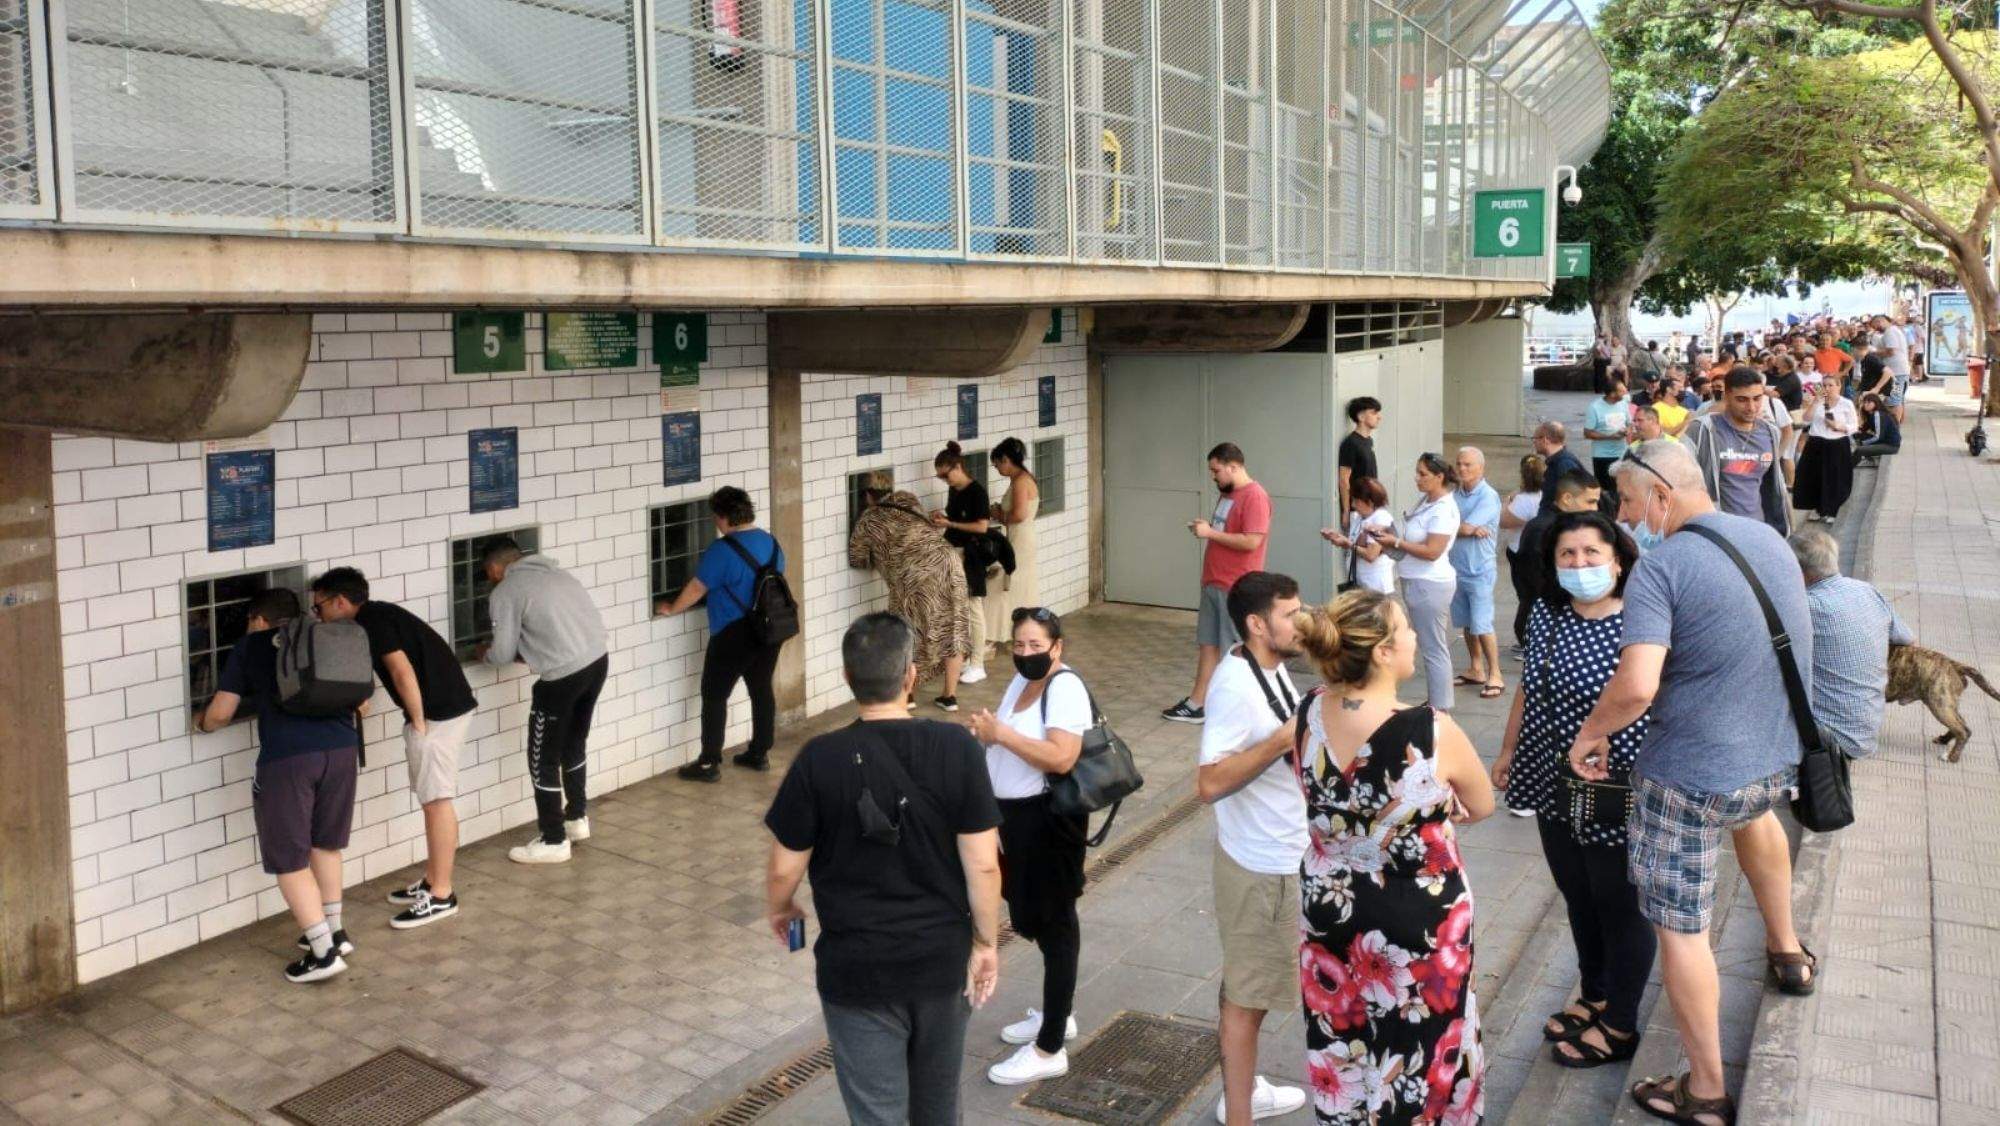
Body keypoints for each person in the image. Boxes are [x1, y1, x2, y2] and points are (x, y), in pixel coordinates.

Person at [1571, 440, 1815, 1126]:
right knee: (1755, 821)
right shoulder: (1767, 538)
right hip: (1772, 760)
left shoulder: (1662, 567)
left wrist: (1590, 734)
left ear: (1659, 494)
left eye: (1625, 502)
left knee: (1682, 928)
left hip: (1689, 777)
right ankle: (1786, 949)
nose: (1624, 518)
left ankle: (1704, 1089)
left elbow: (1638, 685)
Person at [763, 613, 1003, 1125]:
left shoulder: (818, 759)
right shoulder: (956, 747)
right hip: (941, 964)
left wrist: (784, 909)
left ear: (848, 678)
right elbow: (983, 865)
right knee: (938, 1110)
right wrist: (985, 944)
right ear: (911, 675)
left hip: (858, 970)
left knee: (877, 1114)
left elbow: (785, 868)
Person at [1290, 590, 1496, 1124]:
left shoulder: (1309, 711)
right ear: (1382, 652)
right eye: (1405, 629)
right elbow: (1482, 803)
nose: (1414, 639)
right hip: (1415, 916)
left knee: (1343, 1033)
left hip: (1330, 905)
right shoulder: (1430, 730)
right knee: (1420, 1042)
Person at [1492, 513, 1654, 1069]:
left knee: (1619, 902)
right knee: (1577, 892)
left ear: (1618, 559)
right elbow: (1527, 688)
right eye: (1568, 555)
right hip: (1547, 775)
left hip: (1611, 783)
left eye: (1591, 553)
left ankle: (1622, 1022)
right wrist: (1510, 751)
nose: (1580, 565)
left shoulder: (1641, 621)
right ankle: (1596, 994)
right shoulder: (1545, 613)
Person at [194, 589, 361, 982]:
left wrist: (201, 723)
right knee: (325, 843)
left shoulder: (251, 646)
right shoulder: (324, 636)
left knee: (289, 858)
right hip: (341, 748)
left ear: (258, 619)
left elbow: (221, 712)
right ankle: (335, 931)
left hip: (288, 759)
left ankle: (322, 955)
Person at [1193, 572, 1311, 1125]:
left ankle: (1243, 1090)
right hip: (1262, 867)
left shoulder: (1271, 665)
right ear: (1257, 625)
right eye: (1291, 613)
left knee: (1255, 988)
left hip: (1285, 856)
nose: (1302, 620)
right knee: (1247, 994)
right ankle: (1238, 1111)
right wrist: (1281, 740)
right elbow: (1210, 783)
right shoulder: (1235, 685)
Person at [310, 566, 475, 929]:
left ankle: (442, 895)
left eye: (318, 607)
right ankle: (433, 880)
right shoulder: (375, 616)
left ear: (340, 601)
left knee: (436, 801)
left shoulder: (372, 621)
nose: (317, 615)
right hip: (442, 708)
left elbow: (401, 672)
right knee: (433, 800)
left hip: (439, 714)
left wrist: (418, 722)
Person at [968, 607, 1093, 1085]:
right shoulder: (1021, 683)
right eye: (1019, 646)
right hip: (1013, 821)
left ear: (1056, 647)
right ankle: (1057, 1012)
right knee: (1029, 915)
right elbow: (1003, 740)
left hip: (1048, 821)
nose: (1025, 654)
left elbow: (1062, 758)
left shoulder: (1066, 688)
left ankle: (1049, 1048)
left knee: (1055, 922)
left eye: (1035, 646)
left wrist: (1001, 734)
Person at [481, 538, 609, 863]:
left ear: (496, 567)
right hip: (596, 662)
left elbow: (502, 653)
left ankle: (553, 839)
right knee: (574, 743)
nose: (489, 579)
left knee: (542, 759)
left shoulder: (506, 591)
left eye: (487, 573)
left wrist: (484, 653)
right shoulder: (558, 574)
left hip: (562, 677)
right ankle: (576, 819)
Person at [660, 486, 789, 779]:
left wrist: (672, 608)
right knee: (760, 687)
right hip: (769, 628)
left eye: (716, 517)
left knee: (715, 693)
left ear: (723, 517)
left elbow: (696, 588)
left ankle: (708, 763)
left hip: (734, 631)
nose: (715, 523)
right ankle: (759, 752)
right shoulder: (771, 543)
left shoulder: (722, 550)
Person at [1162, 443, 1271, 724]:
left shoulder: (1254, 496)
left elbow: (1252, 540)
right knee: (1208, 644)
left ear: (1233, 466)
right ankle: (1198, 702)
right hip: (1214, 580)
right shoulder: (1228, 494)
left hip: (1235, 584)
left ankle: (1247, 707)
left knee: (1235, 650)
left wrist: (1209, 532)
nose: (1213, 477)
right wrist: (1209, 530)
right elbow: (1226, 532)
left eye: (1216, 470)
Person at [1790, 528, 1914, 760]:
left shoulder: (1806, 606)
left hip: (1827, 740)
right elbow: (1906, 638)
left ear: (1801, 572)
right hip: (1867, 733)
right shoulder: (1867, 590)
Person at [849, 488, 970, 713]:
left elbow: (858, 559)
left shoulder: (868, 518)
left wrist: (882, 553)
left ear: (868, 496)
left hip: (911, 574)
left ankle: (908, 694)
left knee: (906, 629)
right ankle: (949, 697)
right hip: (948, 562)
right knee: (954, 626)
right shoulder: (910, 501)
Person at [1372, 452, 1460, 713]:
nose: (1417, 478)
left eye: (1423, 474)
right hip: (1416, 580)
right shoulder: (1427, 501)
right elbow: (1410, 540)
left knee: (1433, 647)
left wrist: (1396, 542)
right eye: (1418, 472)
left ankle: (1439, 707)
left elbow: (1433, 551)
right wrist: (1388, 538)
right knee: (1430, 644)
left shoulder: (1443, 509)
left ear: (1439, 477)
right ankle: (1437, 703)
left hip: (1430, 583)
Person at [1682, 367, 1792, 536]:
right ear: (1727, 397)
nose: (1751, 407)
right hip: (1717, 532)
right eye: (1742, 400)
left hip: (1758, 529)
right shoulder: (1703, 430)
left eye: (1757, 399)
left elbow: (1774, 484)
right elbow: (1681, 478)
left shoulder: (1770, 432)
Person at [931, 442, 995, 684]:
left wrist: (951, 524)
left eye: (946, 474)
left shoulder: (977, 491)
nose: (944, 480)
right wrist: (943, 518)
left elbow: (981, 526)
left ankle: (978, 663)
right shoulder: (954, 490)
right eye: (939, 477)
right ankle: (968, 657)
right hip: (953, 551)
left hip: (971, 554)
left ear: (958, 467)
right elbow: (955, 518)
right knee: (958, 608)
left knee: (973, 606)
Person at [1449, 447, 1505, 699]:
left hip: (1479, 570)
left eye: (1468, 465)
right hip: (1456, 569)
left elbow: (1457, 526)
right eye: (1460, 464)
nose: (1462, 469)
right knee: (1467, 624)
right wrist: (1464, 528)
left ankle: (1496, 674)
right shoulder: (1454, 495)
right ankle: (1476, 668)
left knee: (1482, 624)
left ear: (1481, 468)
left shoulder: (1488, 497)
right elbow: (1448, 525)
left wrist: (1464, 527)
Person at [986, 437, 1042, 658]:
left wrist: (997, 514)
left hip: (1020, 540)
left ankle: (990, 638)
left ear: (1006, 459)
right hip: (1020, 538)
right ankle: (1020, 634)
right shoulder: (1023, 478)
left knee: (1000, 584)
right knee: (1018, 587)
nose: (997, 468)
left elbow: (1019, 514)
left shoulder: (1020, 482)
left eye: (997, 464)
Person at [1792, 375, 1857, 524]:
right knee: (1814, 476)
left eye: (1831, 385)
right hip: (1817, 442)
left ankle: (1832, 509)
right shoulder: (1819, 403)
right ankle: (1817, 508)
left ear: (1838, 386)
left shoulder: (1846, 404)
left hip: (1837, 443)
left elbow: (1854, 426)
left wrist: (1840, 427)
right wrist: (1815, 402)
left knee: (1835, 478)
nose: (1827, 388)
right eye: (1825, 385)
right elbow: (1806, 419)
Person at [1321, 474, 1396, 595]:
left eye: (1356, 501)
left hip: (1376, 586)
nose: (1353, 505)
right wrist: (1338, 538)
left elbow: (1371, 555)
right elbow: (1355, 544)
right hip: (1361, 582)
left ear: (1370, 502)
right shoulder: (1360, 517)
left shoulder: (1381, 519)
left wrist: (1349, 544)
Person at [1500, 455, 1545, 647]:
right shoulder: (1544, 498)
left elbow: (1503, 521)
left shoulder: (1522, 501)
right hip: (1538, 552)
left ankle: (1525, 640)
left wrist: (1507, 501)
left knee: (1526, 597)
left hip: (1521, 553)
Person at [1584, 379, 1632, 492]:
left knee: (1622, 488)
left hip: (1622, 453)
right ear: (1612, 394)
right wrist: (1610, 437)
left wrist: (1627, 430)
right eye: (1622, 391)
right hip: (1602, 456)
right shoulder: (1594, 407)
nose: (1626, 394)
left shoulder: (1623, 403)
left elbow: (1629, 422)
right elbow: (1587, 433)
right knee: (1605, 490)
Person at [1338, 396, 1382, 520]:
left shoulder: (1368, 441)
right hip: (1357, 510)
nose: (1379, 417)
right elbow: (1343, 480)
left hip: (1370, 505)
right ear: (1361, 417)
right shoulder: (1350, 443)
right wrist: (1346, 511)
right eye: (1374, 413)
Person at [1534, 421, 1585, 511]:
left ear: (1545, 440)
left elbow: (1573, 498)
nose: (1534, 441)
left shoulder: (1564, 464)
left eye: (1536, 438)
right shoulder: (1556, 462)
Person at [1871, 313, 1911, 423]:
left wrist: (1874, 352)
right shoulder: (1895, 330)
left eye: (1875, 326)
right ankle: (1898, 423)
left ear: (1880, 321)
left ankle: (1894, 426)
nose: (1876, 329)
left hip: (1896, 372)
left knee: (1894, 400)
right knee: (1898, 398)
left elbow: (1890, 351)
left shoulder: (1890, 332)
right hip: (1900, 371)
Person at [1854, 393, 1901, 462]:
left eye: (1869, 402)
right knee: (1858, 436)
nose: (1865, 404)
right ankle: (1868, 457)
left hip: (1891, 446)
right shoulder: (1871, 414)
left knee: (1858, 450)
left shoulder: (1878, 414)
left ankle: (1847, 469)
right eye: (1864, 402)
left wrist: (1862, 443)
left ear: (1876, 403)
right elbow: (1863, 429)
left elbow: (1878, 437)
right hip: (1884, 441)